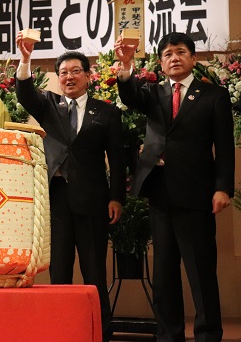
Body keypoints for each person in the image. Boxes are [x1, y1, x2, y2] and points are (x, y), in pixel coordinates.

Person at [115, 31, 235, 342]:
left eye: (180, 52)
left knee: (201, 272)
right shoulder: (153, 93)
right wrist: (126, 66)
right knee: (164, 274)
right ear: (161, 62)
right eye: (168, 54)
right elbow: (129, 96)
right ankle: (168, 335)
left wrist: (223, 188)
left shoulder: (213, 96)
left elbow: (223, 147)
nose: (174, 58)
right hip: (160, 193)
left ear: (193, 58)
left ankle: (208, 334)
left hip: (197, 195)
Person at [15, 31, 126, 342]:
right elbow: (24, 94)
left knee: (94, 274)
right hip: (56, 199)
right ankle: (61, 332)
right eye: (63, 73)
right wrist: (26, 59)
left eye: (76, 71)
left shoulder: (106, 112)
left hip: (93, 201)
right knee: (59, 273)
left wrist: (117, 197)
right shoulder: (49, 104)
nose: (69, 77)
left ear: (88, 76)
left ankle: (100, 332)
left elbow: (117, 159)